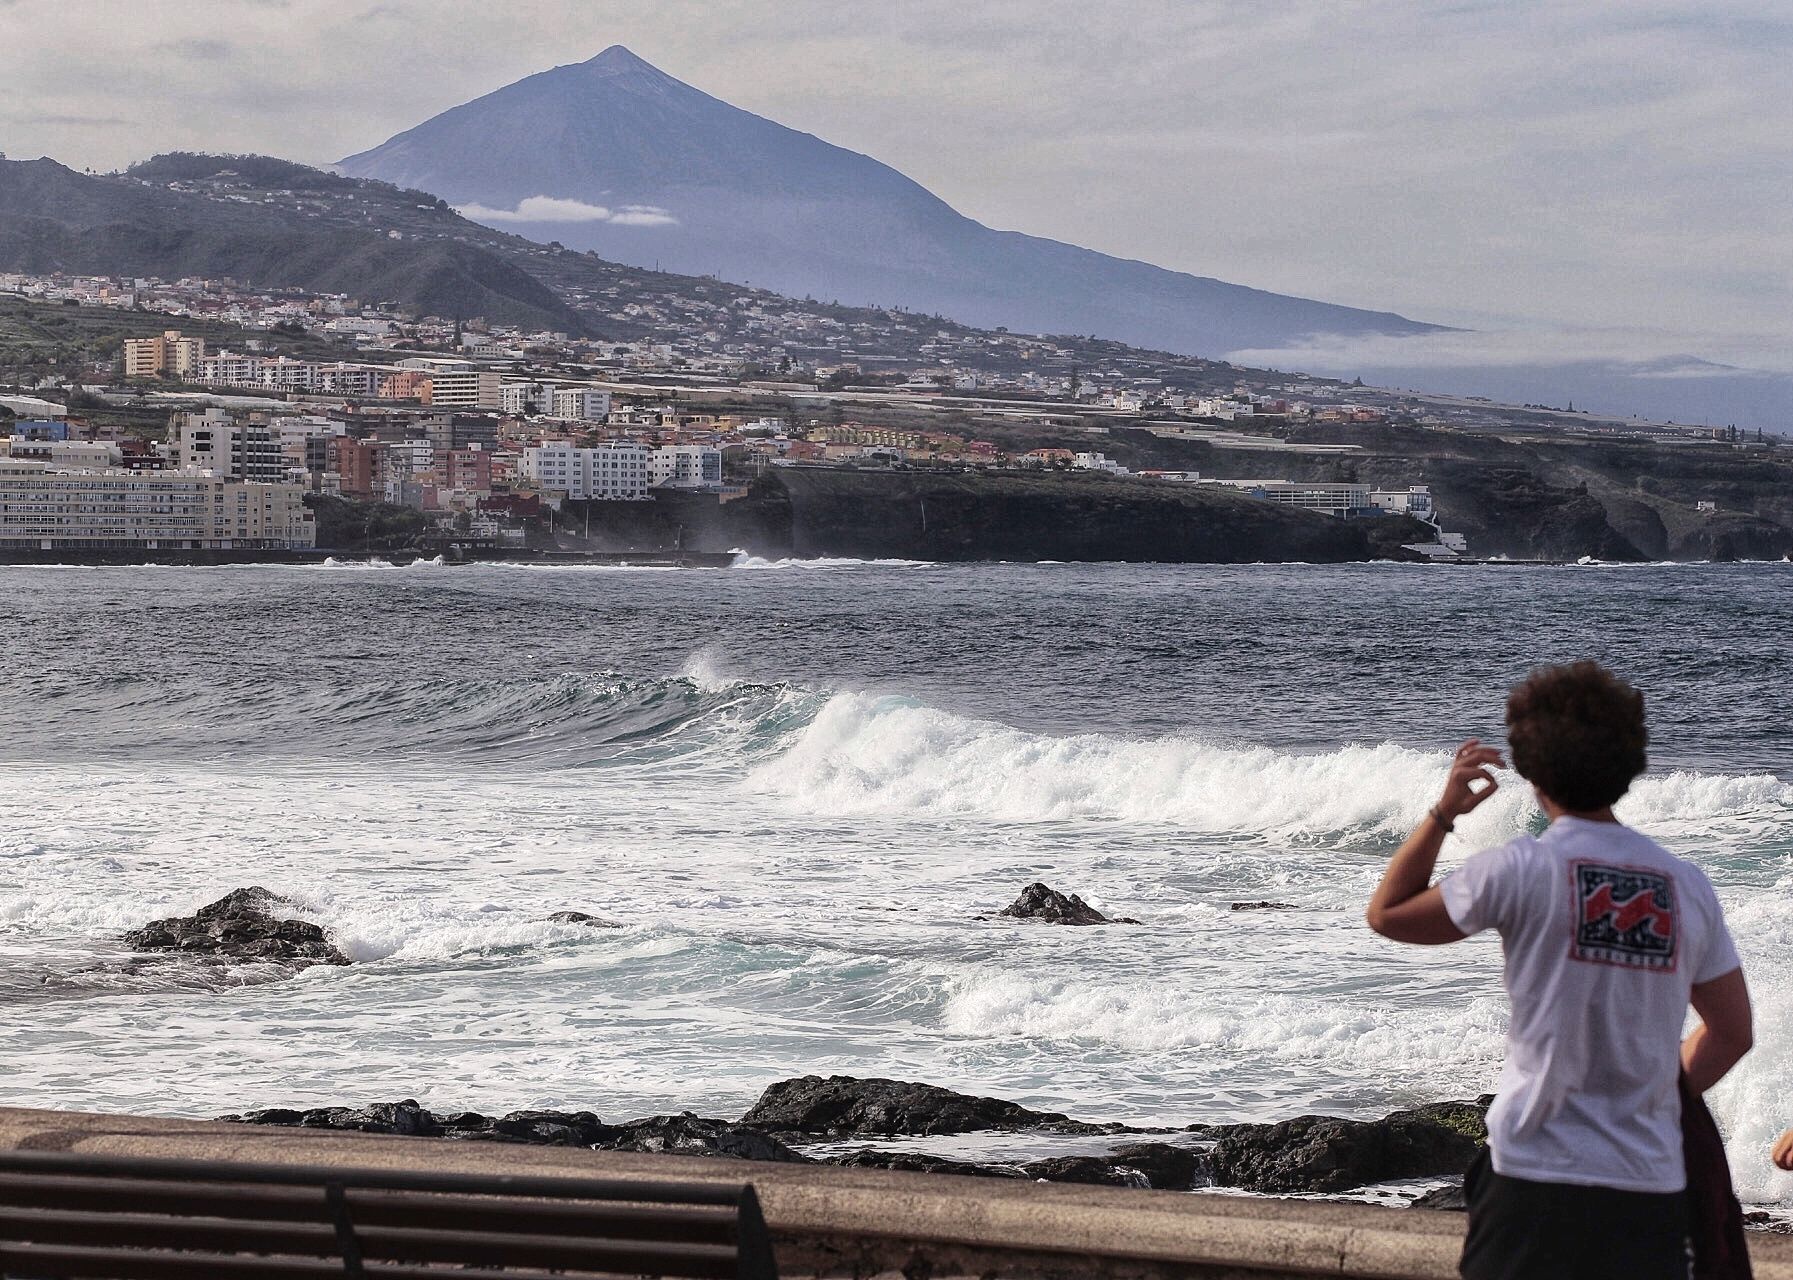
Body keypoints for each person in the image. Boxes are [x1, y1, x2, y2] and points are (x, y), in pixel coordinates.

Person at [1366, 661, 1753, 1280]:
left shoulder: (1519, 869)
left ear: (1529, 769)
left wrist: (1444, 813)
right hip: (1645, 1182)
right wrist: (1652, 1095)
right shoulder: (1685, 886)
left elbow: (1388, 914)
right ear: (1630, 765)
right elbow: (1732, 1032)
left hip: (1532, 1176)